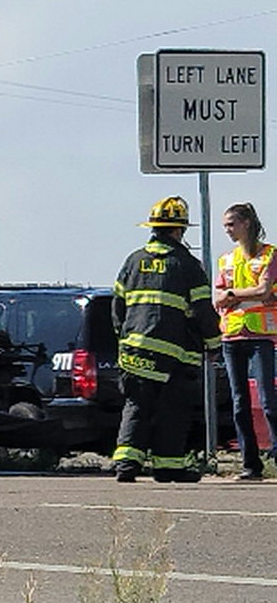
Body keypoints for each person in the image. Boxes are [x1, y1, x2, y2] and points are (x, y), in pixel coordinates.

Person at [110, 195, 219, 483]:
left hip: (134, 351)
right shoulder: (187, 265)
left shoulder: (133, 261)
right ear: (177, 230)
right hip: (174, 355)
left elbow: (117, 307)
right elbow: (201, 311)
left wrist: (124, 338)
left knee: (136, 405)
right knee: (174, 409)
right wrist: (214, 343)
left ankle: (126, 465)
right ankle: (168, 466)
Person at [213, 201, 276, 481]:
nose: (227, 230)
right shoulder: (226, 259)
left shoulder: (269, 255)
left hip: (260, 336)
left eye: (231, 224)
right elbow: (216, 298)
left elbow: (264, 291)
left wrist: (234, 295)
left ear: (246, 223)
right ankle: (251, 465)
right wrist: (239, 296)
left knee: (267, 402)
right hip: (231, 335)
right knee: (239, 404)